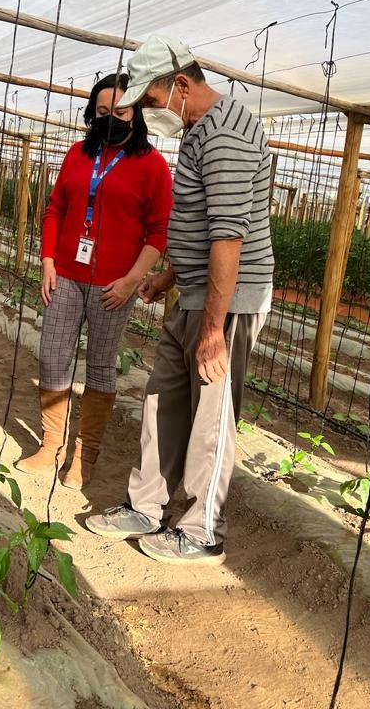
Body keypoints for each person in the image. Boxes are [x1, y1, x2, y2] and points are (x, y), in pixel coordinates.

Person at [85, 35, 274, 564]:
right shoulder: (198, 132)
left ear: (182, 85)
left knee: (211, 413)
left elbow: (228, 238)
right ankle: (147, 505)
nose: (148, 113)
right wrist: (170, 277)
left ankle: (201, 531)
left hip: (228, 303)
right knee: (162, 397)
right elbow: (199, 226)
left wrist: (214, 330)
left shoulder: (228, 135)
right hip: (194, 292)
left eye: (150, 101)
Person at [15, 73, 173, 490]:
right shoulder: (78, 154)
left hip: (113, 286)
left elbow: (159, 232)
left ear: (136, 113)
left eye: (119, 111)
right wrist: (48, 259)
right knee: (52, 356)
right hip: (66, 274)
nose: (111, 119)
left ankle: (84, 455)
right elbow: (55, 209)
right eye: (102, 112)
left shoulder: (152, 166)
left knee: (100, 367)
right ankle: (50, 446)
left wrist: (131, 281)